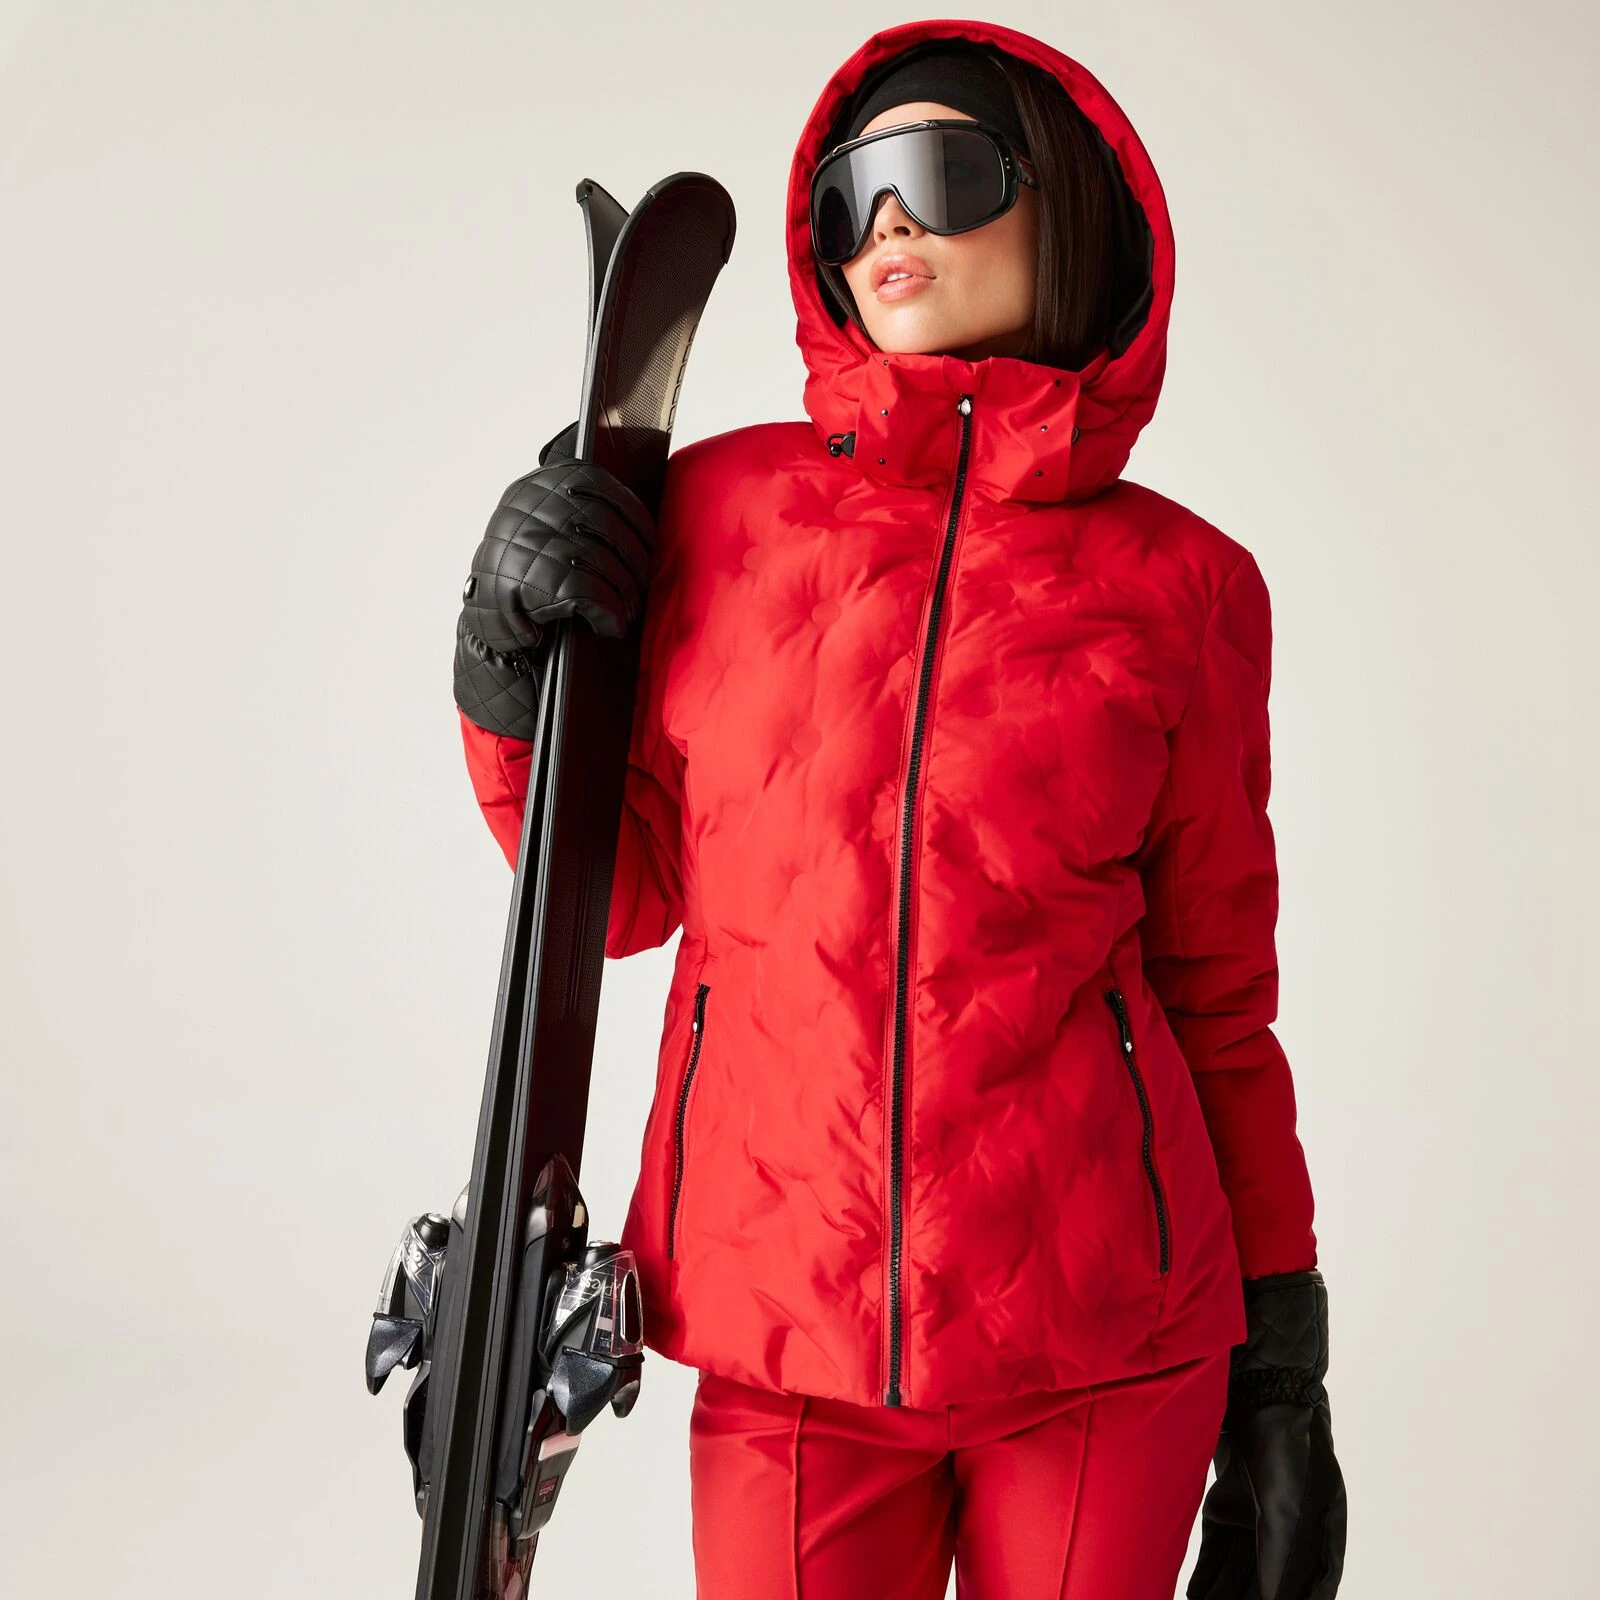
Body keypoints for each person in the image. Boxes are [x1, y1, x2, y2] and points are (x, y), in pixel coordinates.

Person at [451, 17, 1346, 1600]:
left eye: (941, 171)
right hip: (782, 1320)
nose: (886, 224)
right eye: (849, 193)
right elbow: (618, 892)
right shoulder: (714, 514)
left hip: (1106, 1339)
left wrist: (1282, 1368)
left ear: (1066, 202)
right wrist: (505, 675)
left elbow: (1217, 999)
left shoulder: (1189, 587)